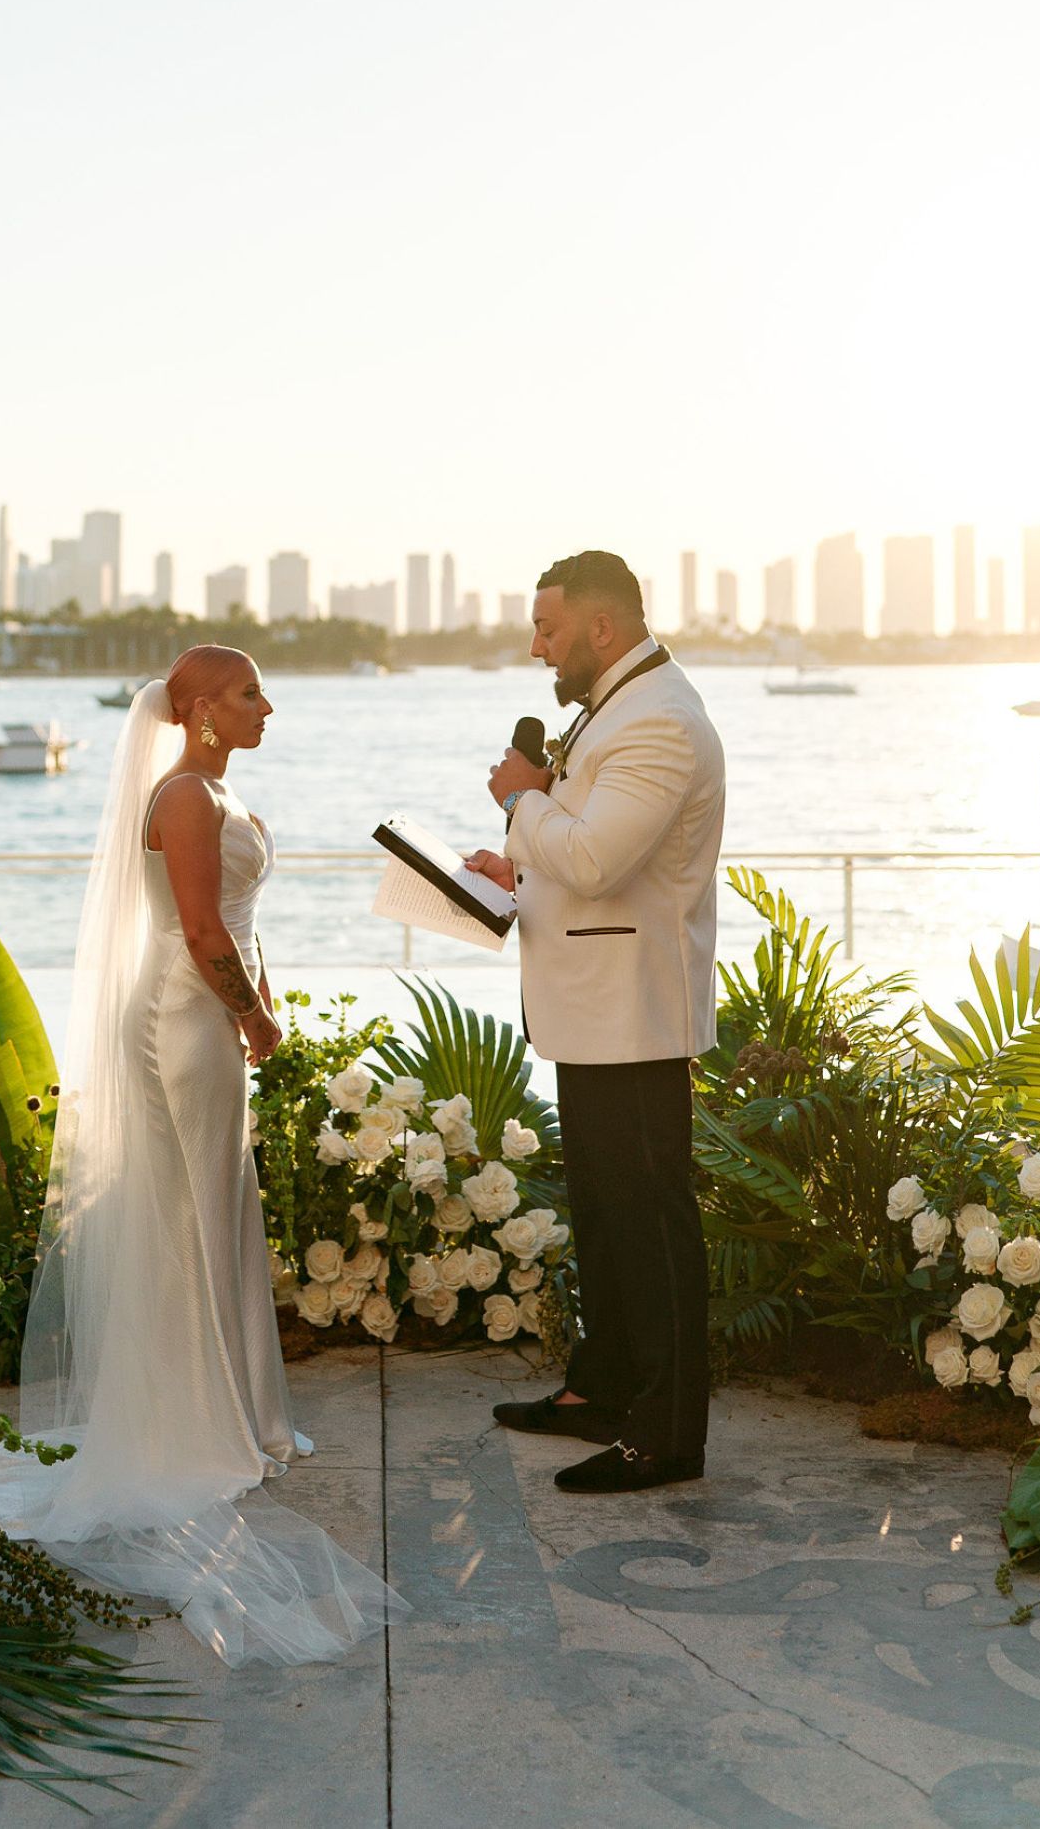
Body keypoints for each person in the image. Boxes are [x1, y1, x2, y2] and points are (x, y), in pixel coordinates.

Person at [1, 646, 400, 1663]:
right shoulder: (183, 793)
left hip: (206, 1016)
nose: (267, 703)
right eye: (248, 691)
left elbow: (232, 918)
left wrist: (258, 1005)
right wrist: (258, 1019)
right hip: (182, 1018)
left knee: (216, 1205)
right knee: (192, 1206)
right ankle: (196, 1422)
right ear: (196, 707)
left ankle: (237, 1410)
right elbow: (196, 926)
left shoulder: (215, 786)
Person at [467, 550, 725, 1495]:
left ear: (602, 628)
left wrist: (519, 799)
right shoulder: (621, 705)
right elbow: (574, 853)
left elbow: (599, 856)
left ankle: (666, 1434)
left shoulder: (659, 720)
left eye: (549, 629)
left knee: (651, 1223)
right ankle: (606, 1385)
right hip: (595, 1008)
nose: (539, 649)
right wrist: (515, 869)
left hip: (636, 1011)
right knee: (608, 1214)